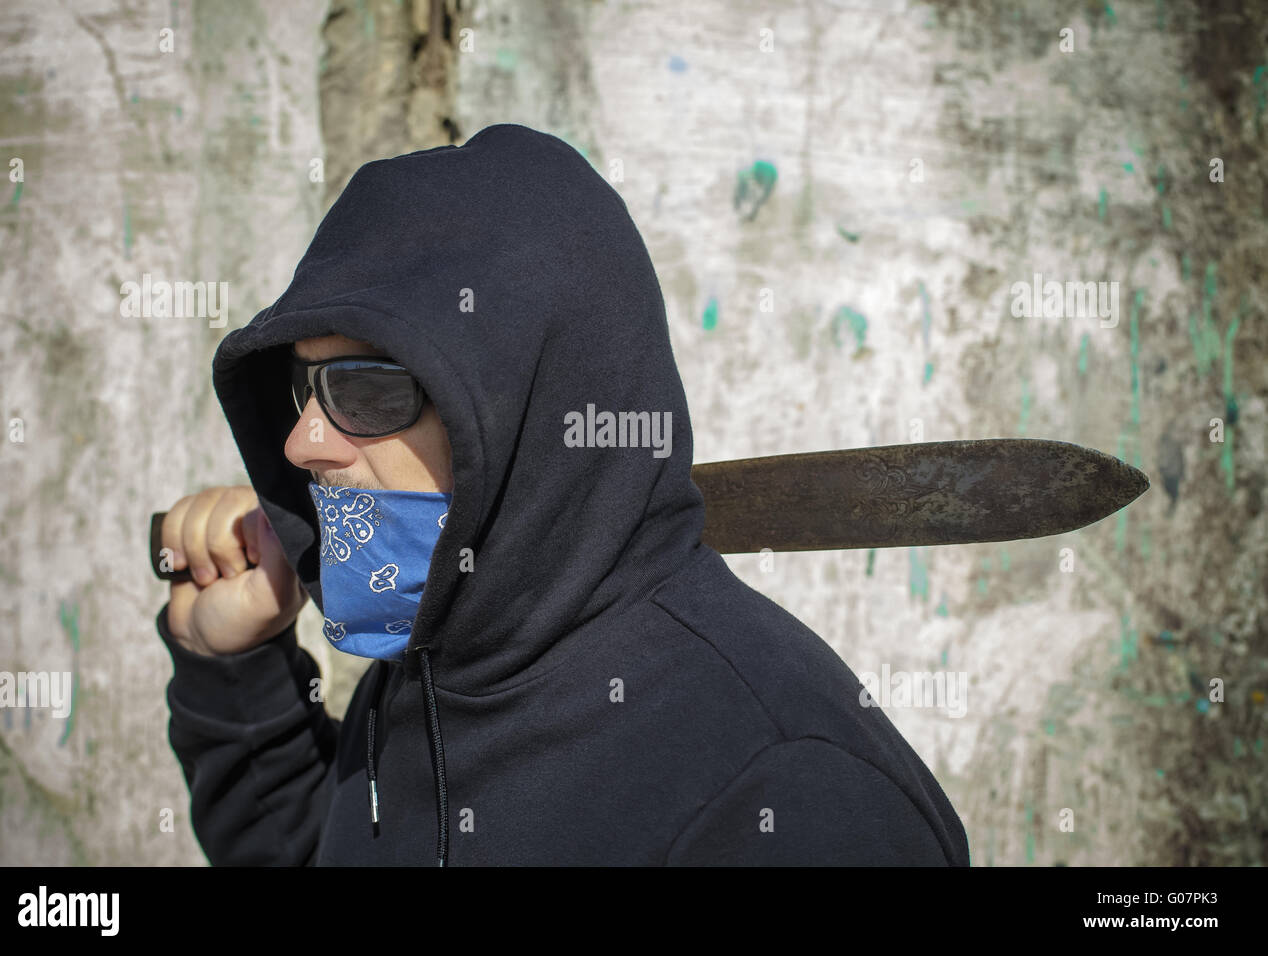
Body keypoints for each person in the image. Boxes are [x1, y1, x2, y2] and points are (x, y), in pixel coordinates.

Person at [155, 122, 970, 866]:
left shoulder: (787, 790)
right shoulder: (433, 672)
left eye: (366, 390)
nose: (303, 441)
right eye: (303, 386)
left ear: (527, 406)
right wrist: (233, 671)